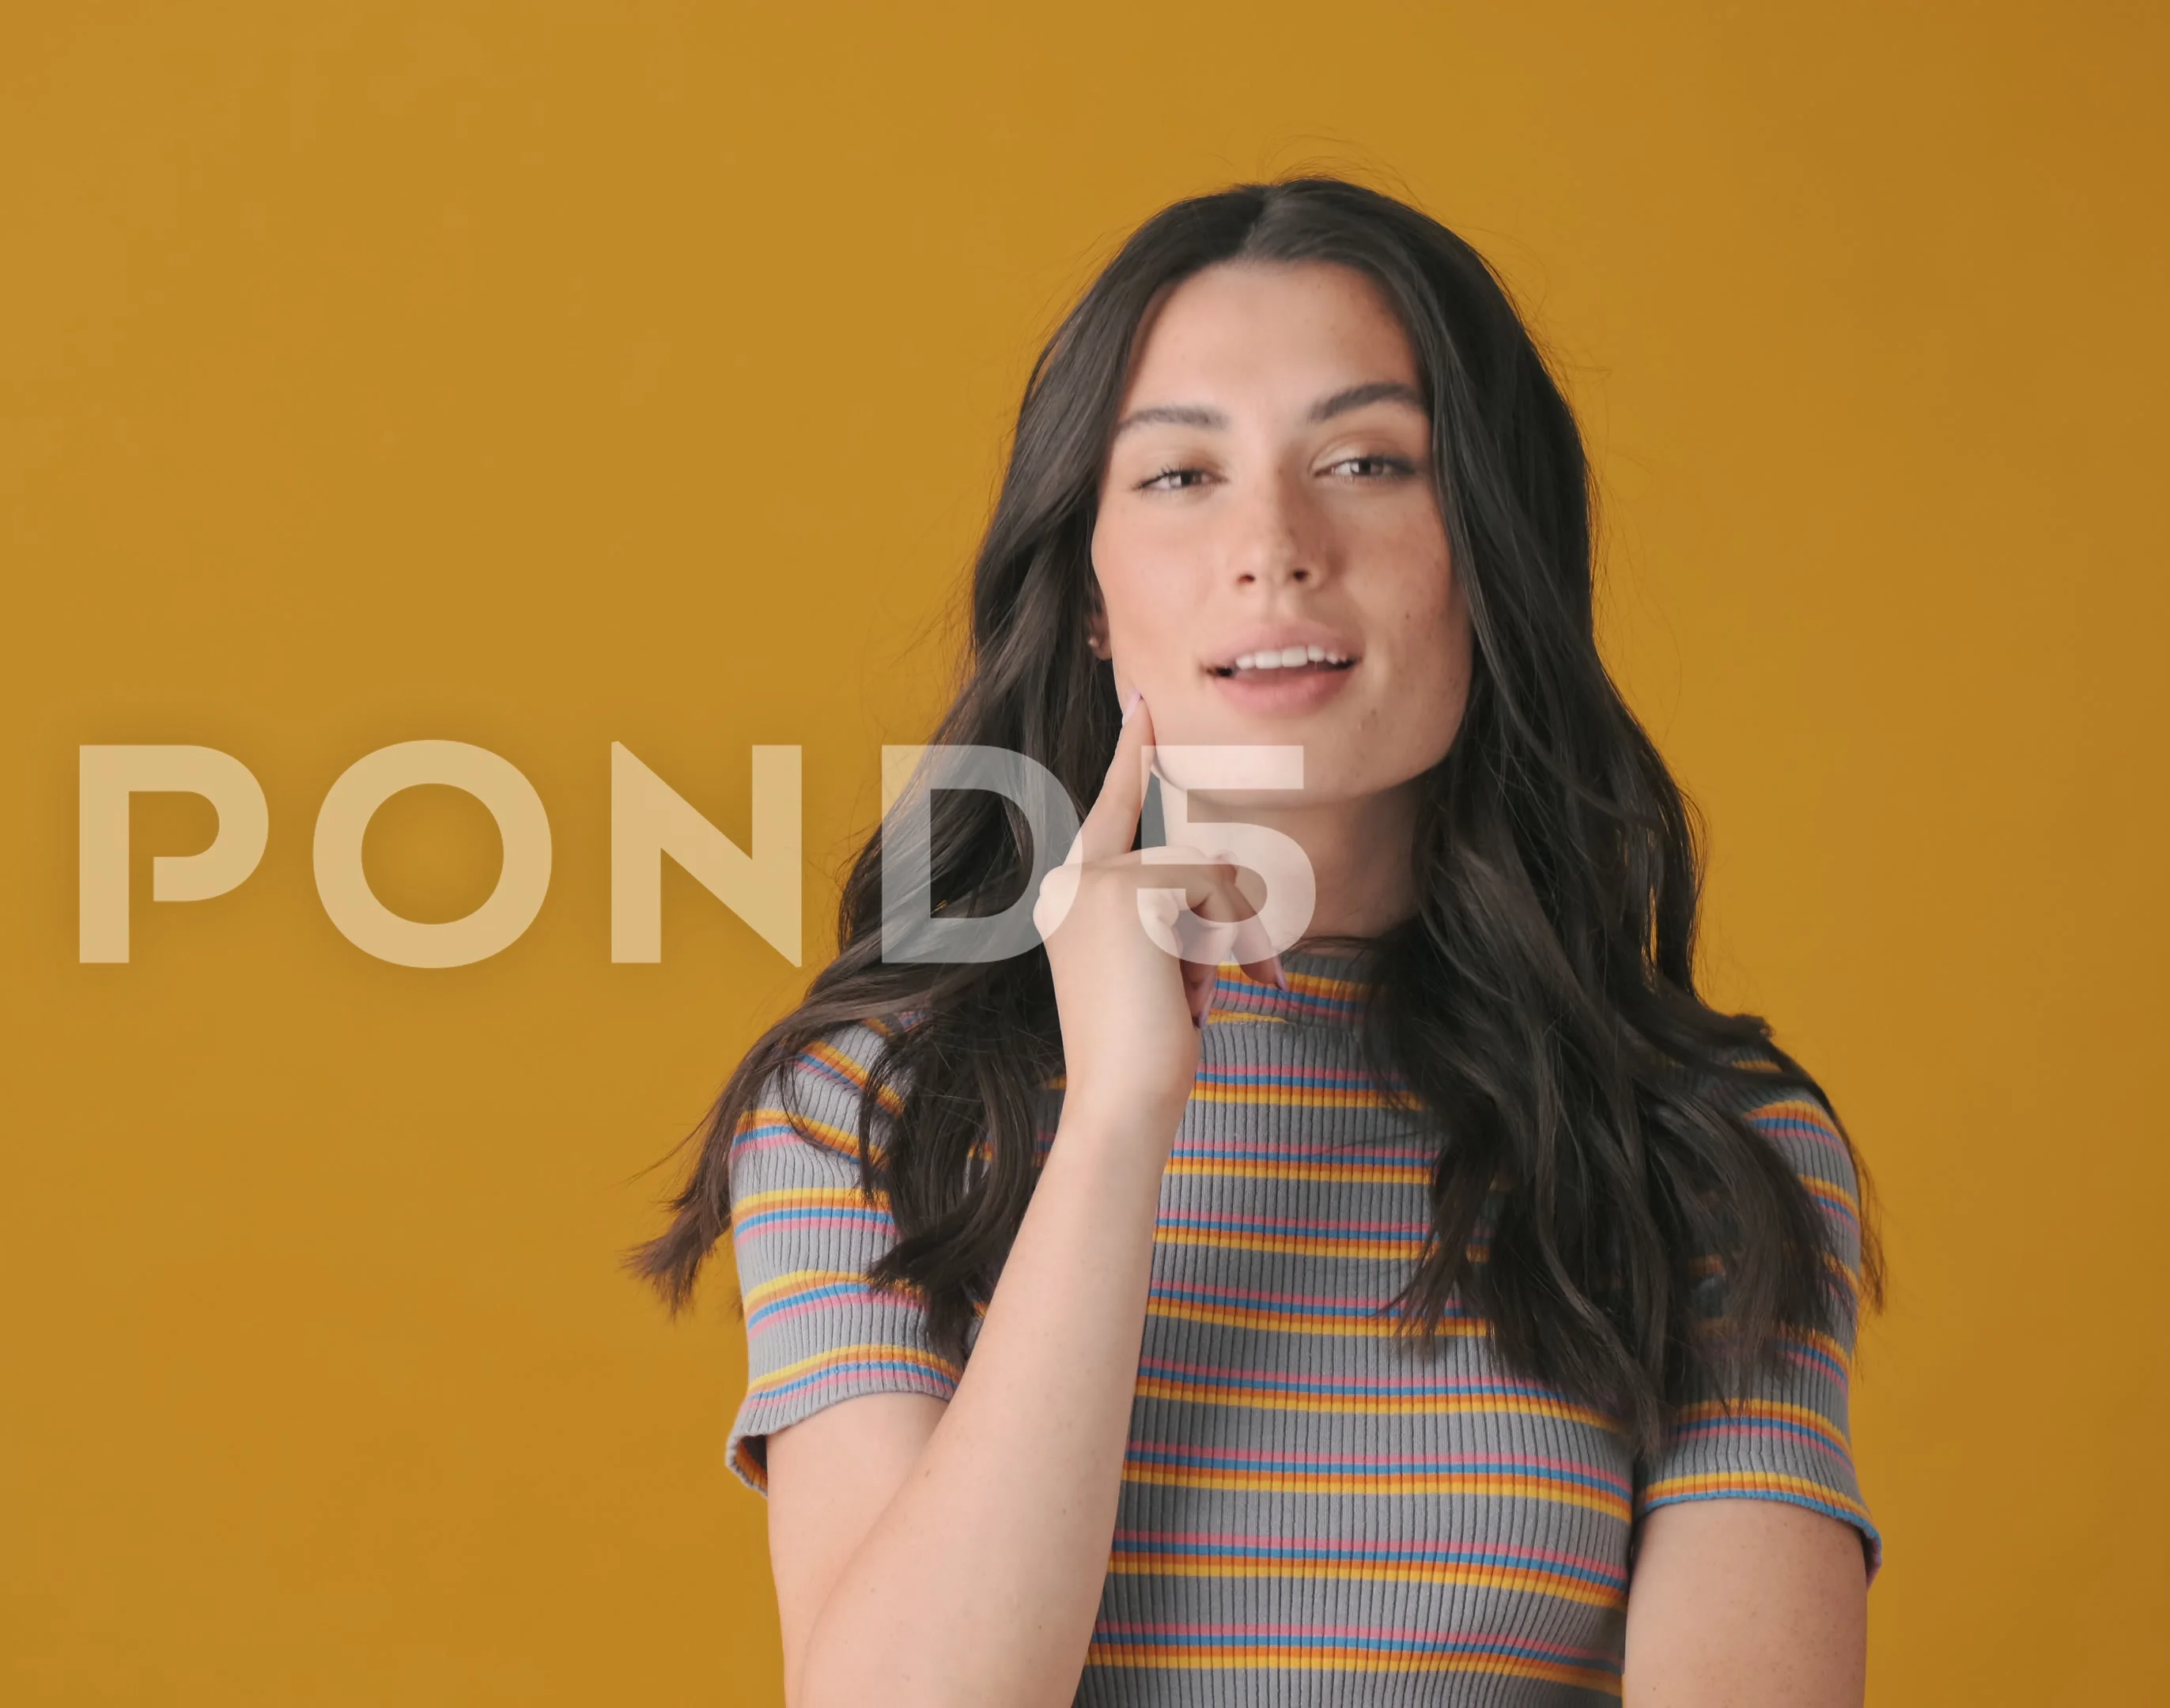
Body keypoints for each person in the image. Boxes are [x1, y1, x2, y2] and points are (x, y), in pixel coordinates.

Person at [633, 179, 1879, 1706]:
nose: (1274, 547)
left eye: (1367, 461)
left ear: (1494, 552)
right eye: (1177, 476)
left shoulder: (1706, 1154)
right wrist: (1115, 1123)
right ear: (1090, 596)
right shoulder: (874, 1110)